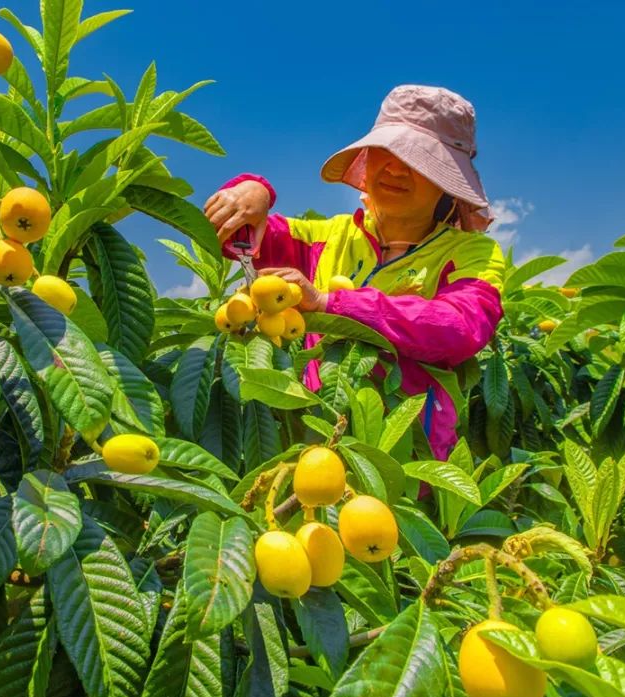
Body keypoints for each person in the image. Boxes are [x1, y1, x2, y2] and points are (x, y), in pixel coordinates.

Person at [203, 85, 505, 461]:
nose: (395, 169)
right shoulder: (329, 235)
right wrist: (252, 191)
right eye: (386, 152)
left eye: (418, 161)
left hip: (409, 458)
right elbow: (241, 238)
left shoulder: (471, 252)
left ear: (445, 178)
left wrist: (331, 304)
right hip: (312, 442)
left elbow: (460, 326)